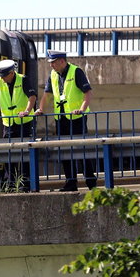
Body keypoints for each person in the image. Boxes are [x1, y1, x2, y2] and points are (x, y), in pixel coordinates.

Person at [35, 50, 96, 191]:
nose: (51, 66)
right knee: (65, 150)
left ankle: (91, 182)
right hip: (61, 118)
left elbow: (88, 93)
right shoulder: (53, 75)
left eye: (53, 63)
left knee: (82, 150)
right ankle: (71, 182)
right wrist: (41, 109)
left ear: (62, 61)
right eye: (50, 63)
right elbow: (47, 95)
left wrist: (81, 109)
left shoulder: (76, 72)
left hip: (77, 118)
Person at [0, 59, 37, 138]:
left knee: (26, 148)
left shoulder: (22, 79)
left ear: (12, 73)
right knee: (9, 148)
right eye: (1, 76)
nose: (2, 78)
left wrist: (27, 111)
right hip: (8, 124)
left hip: (25, 122)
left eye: (4, 76)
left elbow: (32, 96)